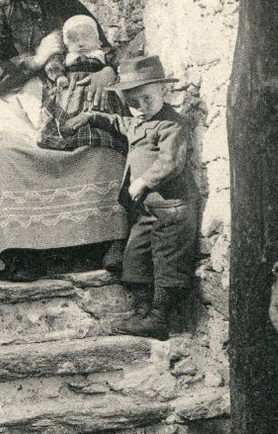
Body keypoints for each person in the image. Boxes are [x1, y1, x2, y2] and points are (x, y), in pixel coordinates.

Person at [0, 0, 128, 281]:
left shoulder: (69, 6)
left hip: (64, 98)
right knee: (9, 152)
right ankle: (24, 251)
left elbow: (108, 51)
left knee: (104, 147)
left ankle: (101, 242)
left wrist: (107, 71)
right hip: (10, 97)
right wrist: (36, 59)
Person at [65, 54, 200, 339]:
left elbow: (171, 162)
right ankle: (142, 312)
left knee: (167, 262)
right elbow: (117, 122)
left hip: (172, 209)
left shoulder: (170, 126)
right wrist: (90, 116)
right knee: (135, 256)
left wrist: (144, 181)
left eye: (147, 99)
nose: (139, 108)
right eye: (132, 102)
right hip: (147, 211)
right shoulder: (138, 122)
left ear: (163, 91)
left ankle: (160, 319)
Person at [38, 14, 128, 152]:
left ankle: (101, 141)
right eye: (74, 40)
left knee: (101, 118)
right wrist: (59, 77)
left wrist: (110, 69)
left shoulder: (103, 54)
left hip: (98, 92)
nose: (81, 44)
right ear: (66, 45)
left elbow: (120, 60)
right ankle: (67, 144)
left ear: (98, 41)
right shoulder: (65, 58)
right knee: (68, 120)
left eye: (86, 37)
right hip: (71, 92)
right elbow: (52, 65)